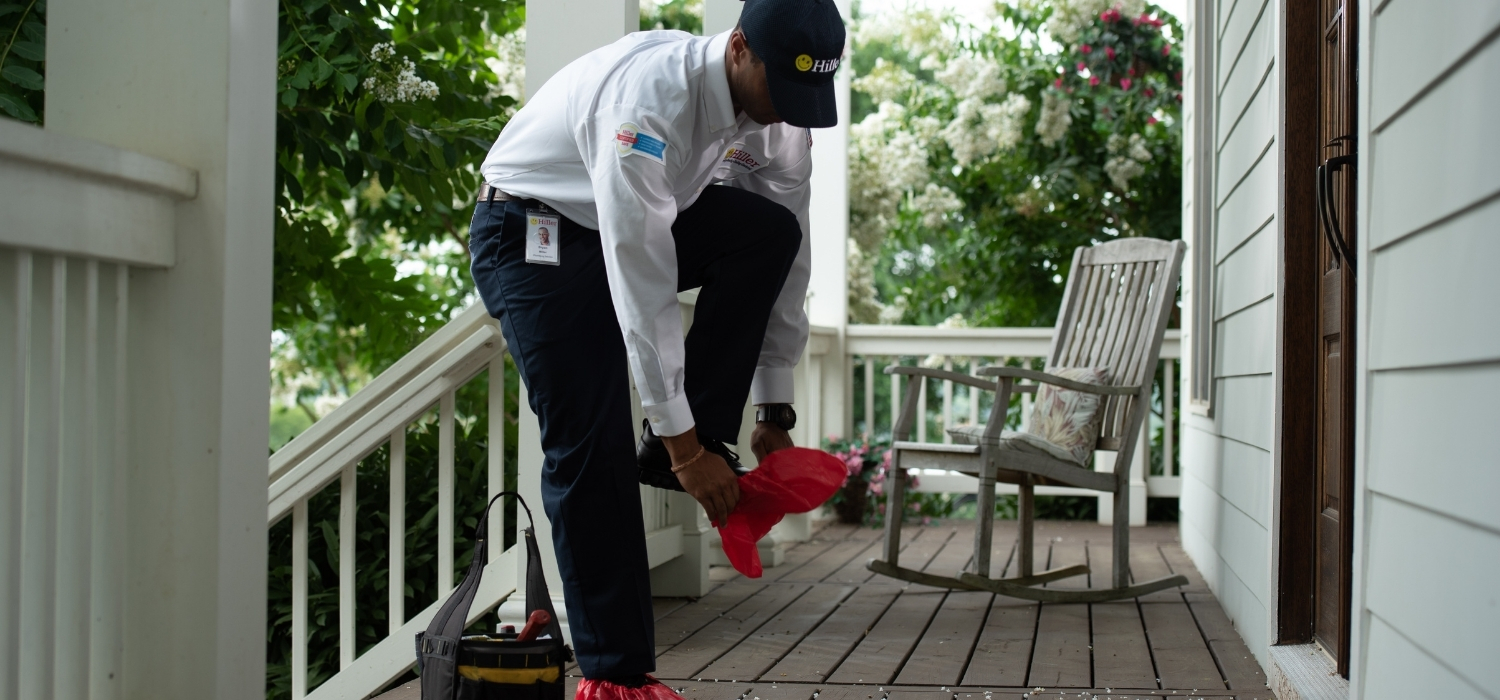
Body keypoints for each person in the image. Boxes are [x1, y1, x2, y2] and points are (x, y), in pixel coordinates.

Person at [467, 0, 845, 691]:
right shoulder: (648, 103)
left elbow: (787, 256)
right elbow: (639, 275)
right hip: (532, 231)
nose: (787, 114)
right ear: (739, 50)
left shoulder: (779, 121)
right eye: (781, 93)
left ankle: (681, 447)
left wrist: (774, 410)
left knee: (767, 234)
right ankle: (617, 677)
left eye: (807, 98)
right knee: (588, 435)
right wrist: (684, 445)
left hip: (637, 216)